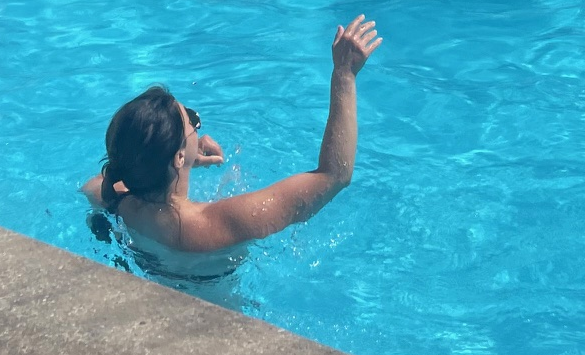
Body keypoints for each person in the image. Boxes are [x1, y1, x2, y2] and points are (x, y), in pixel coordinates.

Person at [79, 16, 382, 276]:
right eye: (192, 121)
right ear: (178, 157)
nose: (197, 125)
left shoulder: (110, 198)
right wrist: (344, 74)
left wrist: (179, 162)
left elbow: (103, 179)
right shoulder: (216, 225)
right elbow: (334, 175)